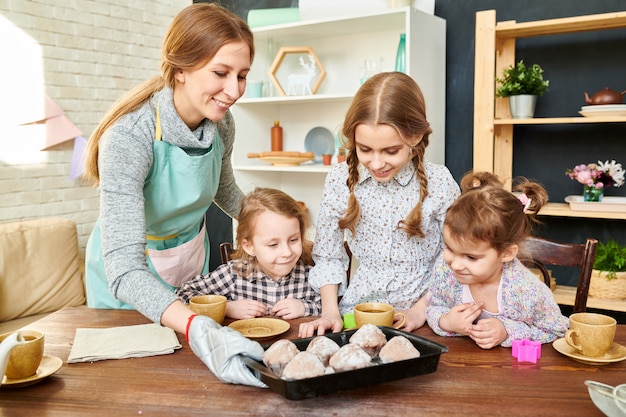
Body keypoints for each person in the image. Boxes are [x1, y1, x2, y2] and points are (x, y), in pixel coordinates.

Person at [82, 4, 265, 387]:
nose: (233, 91)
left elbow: (223, 189)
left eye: (242, 76)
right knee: (135, 382)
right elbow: (126, 269)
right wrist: (196, 324)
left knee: (189, 381)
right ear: (180, 69)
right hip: (130, 274)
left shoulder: (221, 124)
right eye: (220, 73)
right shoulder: (130, 137)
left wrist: (269, 225)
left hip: (186, 260)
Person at [299, 72, 460, 338]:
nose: (376, 163)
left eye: (391, 151)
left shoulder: (440, 183)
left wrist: (421, 310)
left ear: (416, 136)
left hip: (427, 315)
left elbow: (454, 259)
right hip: (359, 312)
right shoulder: (340, 180)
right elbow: (328, 255)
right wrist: (330, 311)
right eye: (364, 149)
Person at [425, 171, 569, 349]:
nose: (455, 264)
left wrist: (507, 331)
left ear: (506, 253)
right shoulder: (445, 271)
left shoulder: (528, 292)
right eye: (449, 248)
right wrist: (445, 321)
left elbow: (557, 330)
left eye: (471, 257)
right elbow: (433, 306)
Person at [177, 187, 321, 320]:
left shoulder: (312, 276)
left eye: (293, 240)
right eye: (273, 244)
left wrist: (304, 308)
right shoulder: (234, 274)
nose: (286, 252)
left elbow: (336, 309)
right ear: (249, 246)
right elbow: (184, 294)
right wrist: (226, 308)